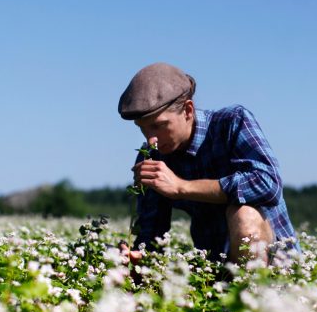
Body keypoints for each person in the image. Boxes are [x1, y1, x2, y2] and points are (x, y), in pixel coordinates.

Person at [117, 62, 299, 264]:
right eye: (143, 128)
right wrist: (138, 256)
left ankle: (253, 290)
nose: (151, 140)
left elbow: (267, 184)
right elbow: (151, 236)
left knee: (244, 214)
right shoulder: (152, 156)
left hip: (280, 268)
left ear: (187, 110)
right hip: (213, 271)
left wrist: (181, 187)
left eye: (158, 126)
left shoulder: (231, 123)